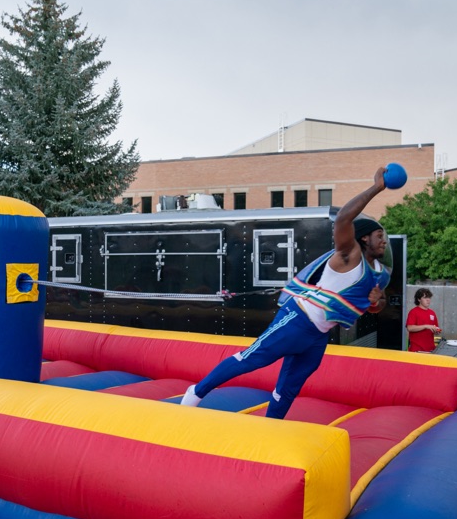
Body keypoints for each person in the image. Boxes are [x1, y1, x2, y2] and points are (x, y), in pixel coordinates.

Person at [181, 166, 391, 419]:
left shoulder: (380, 272)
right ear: (365, 238)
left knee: (289, 388)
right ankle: (196, 392)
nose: (384, 241)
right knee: (252, 359)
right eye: (380, 235)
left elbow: (378, 305)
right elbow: (344, 218)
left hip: (318, 335)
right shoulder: (349, 254)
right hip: (297, 319)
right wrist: (376, 188)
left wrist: (377, 302)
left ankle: (271, 426)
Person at [406, 287, 441, 352]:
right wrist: (426, 326)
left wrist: (437, 331)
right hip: (417, 350)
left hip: (431, 350)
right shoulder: (413, 312)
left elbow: (436, 328)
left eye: (429, 298)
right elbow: (410, 328)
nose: (428, 300)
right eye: (425, 298)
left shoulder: (432, 313)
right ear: (419, 299)